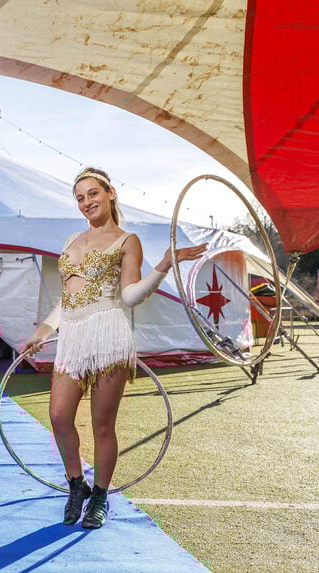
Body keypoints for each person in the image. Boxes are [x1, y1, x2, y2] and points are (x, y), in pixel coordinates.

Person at [23, 167, 206, 529]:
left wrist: (166, 264)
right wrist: (44, 329)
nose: (86, 202)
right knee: (59, 416)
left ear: (110, 194)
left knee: (102, 425)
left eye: (93, 193)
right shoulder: (71, 240)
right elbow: (68, 297)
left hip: (109, 336)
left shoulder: (128, 240)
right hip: (72, 338)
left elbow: (131, 296)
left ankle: (100, 497)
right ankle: (77, 484)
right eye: (79, 197)